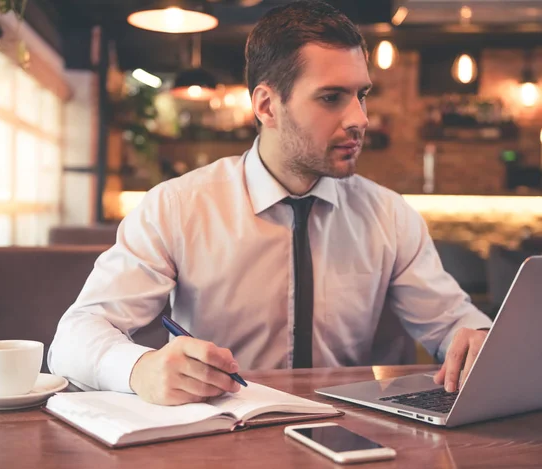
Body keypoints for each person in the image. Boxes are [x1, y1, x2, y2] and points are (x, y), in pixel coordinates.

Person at [48, 0, 492, 406]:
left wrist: (476, 340)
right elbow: (73, 338)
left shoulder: (390, 215)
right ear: (267, 105)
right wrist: (139, 368)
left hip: (352, 430)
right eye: (331, 97)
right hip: (218, 435)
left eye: (362, 95)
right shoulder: (178, 207)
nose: (360, 119)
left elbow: (456, 324)